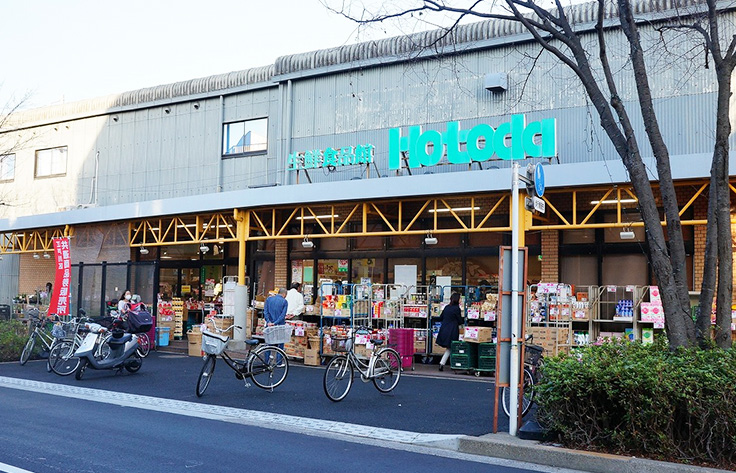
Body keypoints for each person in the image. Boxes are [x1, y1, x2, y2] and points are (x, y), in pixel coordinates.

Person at [435, 292, 464, 371]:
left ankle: (443, 363)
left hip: (444, 329)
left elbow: (441, 317)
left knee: (450, 348)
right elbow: (460, 321)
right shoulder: (457, 308)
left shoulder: (447, 307)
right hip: (452, 330)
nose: (461, 300)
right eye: (460, 298)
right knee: (452, 347)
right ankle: (455, 364)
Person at [263, 287, 288, 362]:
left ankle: (266, 361)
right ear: (284, 294)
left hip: (269, 325)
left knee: (269, 343)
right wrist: (275, 322)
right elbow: (283, 315)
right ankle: (278, 362)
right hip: (279, 325)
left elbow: (265, 312)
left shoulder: (269, 299)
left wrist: (269, 322)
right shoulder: (284, 302)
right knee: (280, 343)